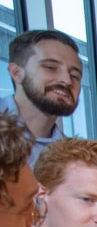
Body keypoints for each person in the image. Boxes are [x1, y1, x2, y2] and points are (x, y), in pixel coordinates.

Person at [0, 30, 82, 167]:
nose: (67, 80)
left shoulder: (73, 160)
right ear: (16, 73)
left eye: (74, 76)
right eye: (51, 68)